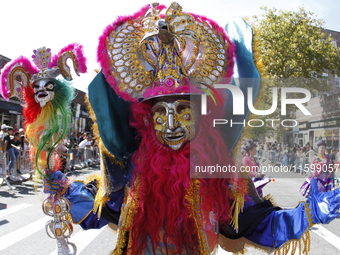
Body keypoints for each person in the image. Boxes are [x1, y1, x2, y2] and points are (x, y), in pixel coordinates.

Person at [39, 3, 340, 255]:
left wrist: (309, 213)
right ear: (146, 119)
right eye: (160, 114)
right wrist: (61, 188)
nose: (170, 126)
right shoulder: (133, 166)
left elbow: (258, 224)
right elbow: (100, 208)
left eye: (183, 113)